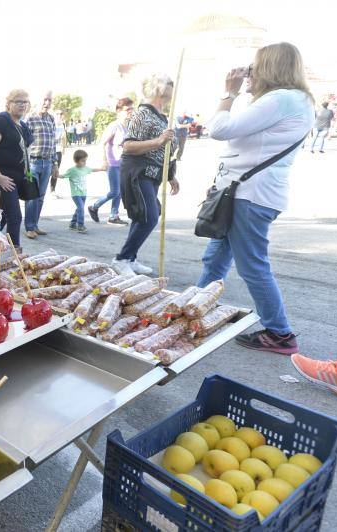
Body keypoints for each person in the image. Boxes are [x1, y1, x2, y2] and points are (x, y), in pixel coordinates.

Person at [197, 42, 313, 355]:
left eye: (254, 67)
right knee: (216, 257)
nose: (250, 74)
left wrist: (229, 93)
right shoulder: (294, 100)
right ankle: (197, 307)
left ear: (270, 67)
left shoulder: (281, 99)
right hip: (247, 194)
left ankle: (280, 332)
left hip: (250, 196)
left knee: (252, 267)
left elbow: (219, 129)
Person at [112, 74, 180, 276]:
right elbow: (129, 145)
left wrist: (170, 175)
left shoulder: (161, 115)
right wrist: (158, 141)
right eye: (168, 83)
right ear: (157, 88)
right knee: (149, 217)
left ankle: (130, 258)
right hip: (138, 172)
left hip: (153, 174)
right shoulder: (143, 113)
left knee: (144, 216)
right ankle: (122, 258)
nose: (171, 86)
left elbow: (165, 151)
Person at [0, 89, 33, 246]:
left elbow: (25, 152)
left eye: (25, 102)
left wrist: (28, 175)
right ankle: (14, 255)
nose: (22, 105)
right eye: (18, 101)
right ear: (8, 104)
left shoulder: (23, 125)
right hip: (1, 179)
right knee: (14, 216)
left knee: (2, 216)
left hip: (16, 179)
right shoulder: (1, 121)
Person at [89, 98, 133, 225]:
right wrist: (104, 161)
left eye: (132, 109)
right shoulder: (114, 126)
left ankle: (113, 216)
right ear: (118, 111)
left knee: (120, 191)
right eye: (127, 109)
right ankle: (94, 206)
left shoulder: (128, 126)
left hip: (123, 164)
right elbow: (102, 143)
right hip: (112, 163)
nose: (130, 111)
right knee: (115, 191)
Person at [24, 91, 58, 238]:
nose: (47, 103)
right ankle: (29, 227)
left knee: (41, 196)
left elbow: (53, 143)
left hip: (47, 162)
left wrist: (55, 163)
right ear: (38, 100)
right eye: (45, 99)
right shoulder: (30, 118)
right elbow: (23, 142)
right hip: (33, 162)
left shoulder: (51, 119)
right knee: (32, 195)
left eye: (49, 100)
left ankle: (35, 225)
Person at [65, 149, 106, 233]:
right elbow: (64, 175)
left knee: (79, 208)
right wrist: (56, 175)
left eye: (85, 161)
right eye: (83, 161)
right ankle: (80, 225)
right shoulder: (72, 170)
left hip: (83, 193)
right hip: (76, 193)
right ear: (76, 161)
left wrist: (101, 169)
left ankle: (72, 224)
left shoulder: (85, 168)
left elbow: (92, 169)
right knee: (81, 208)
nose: (85, 163)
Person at [50, 111, 66, 194]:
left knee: (56, 170)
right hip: (50, 150)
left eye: (61, 114)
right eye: (57, 113)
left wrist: (63, 147)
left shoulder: (62, 125)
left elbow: (63, 136)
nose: (59, 115)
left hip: (58, 150)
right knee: (47, 170)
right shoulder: (51, 123)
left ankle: (53, 190)